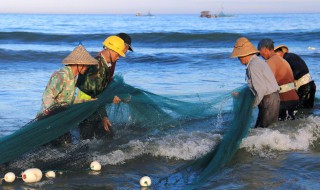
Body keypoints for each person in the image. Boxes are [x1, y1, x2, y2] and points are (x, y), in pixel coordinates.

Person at [38, 44, 98, 145]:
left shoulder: (73, 78)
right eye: (86, 65)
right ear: (78, 63)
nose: (87, 68)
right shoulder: (62, 75)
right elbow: (47, 96)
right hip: (49, 120)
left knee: (66, 143)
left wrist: (87, 101)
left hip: (60, 118)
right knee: (64, 144)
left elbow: (69, 100)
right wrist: (51, 115)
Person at [76, 34, 132, 140]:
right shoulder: (96, 67)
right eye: (118, 54)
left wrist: (104, 116)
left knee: (106, 137)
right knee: (85, 144)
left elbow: (100, 92)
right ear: (110, 50)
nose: (119, 57)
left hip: (94, 108)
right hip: (86, 109)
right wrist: (110, 100)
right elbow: (94, 94)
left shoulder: (105, 64)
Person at [231, 37, 280, 128]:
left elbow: (261, 89)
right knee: (262, 129)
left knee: (266, 130)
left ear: (244, 55)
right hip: (269, 98)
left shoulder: (253, 65)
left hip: (269, 99)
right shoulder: (256, 62)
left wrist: (252, 105)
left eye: (239, 57)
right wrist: (241, 95)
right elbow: (256, 87)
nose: (239, 60)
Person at [258, 39, 300, 120]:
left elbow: (264, 83)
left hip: (285, 100)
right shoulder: (282, 60)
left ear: (265, 50)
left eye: (260, 53)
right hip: (294, 98)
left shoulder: (270, 62)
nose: (261, 56)